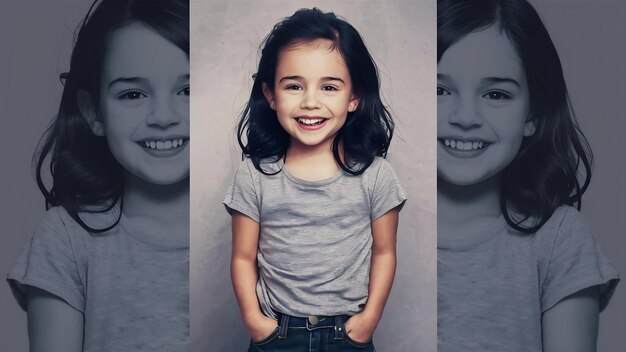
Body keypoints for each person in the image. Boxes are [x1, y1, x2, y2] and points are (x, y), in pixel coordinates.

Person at [6, 0, 189, 351]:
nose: (163, 116)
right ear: (94, 113)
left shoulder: (254, 221)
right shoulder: (67, 241)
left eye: (188, 91)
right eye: (133, 93)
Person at [437, 0, 619, 351]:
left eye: (496, 94)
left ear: (532, 114)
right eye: (439, 90)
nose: (465, 116)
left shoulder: (558, 241)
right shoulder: (369, 223)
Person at [224, 8, 406, 351]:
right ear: (270, 95)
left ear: (353, 97)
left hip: (346, 336)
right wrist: (254, 321)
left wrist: (369, 320)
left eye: (329, 87)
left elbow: (385, 252)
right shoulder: (255, 175)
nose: (310, 102)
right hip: (276, 333)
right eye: (294, 86)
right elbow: (242, 257)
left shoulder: (376, 175)